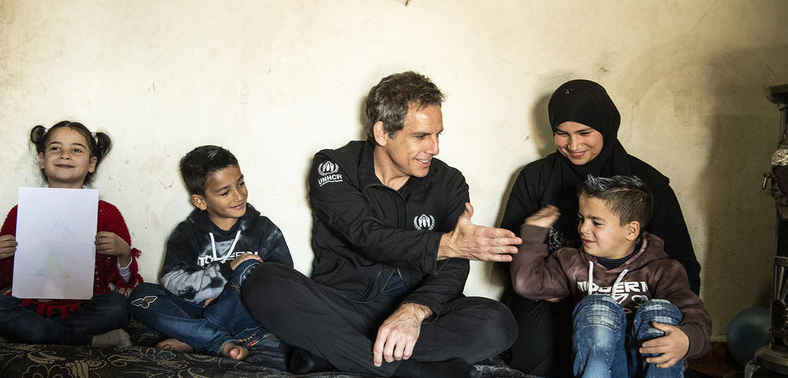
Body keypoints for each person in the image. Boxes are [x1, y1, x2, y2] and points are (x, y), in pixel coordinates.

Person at [243, 71, 521, 378]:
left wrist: (415, 309)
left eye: (437, 135)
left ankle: (332, 354)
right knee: (264, 281)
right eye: (421, 136)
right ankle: (409, 370)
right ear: (382, 132)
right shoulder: (334, 167)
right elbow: (367, 234)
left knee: (499, 322)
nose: (434, 148)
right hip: (346, 306)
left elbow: (454, 266)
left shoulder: (448, 181)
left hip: (415, 310)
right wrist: (445, 245)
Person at [500, 79, 701, 376]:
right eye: (562, 133)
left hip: (633, 298)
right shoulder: (535, 177)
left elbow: (682, 267)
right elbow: (508, 256)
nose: (574, 145)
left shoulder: (646, 183)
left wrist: (684, 333)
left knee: (650, 337)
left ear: (606, 128)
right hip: (556, 292)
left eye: (585, 133)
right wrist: (567, 285)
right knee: (531, 355)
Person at [510, 174, 711, 378]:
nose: (583, 229)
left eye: (596, 223)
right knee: (596, 306)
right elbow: (527, 284)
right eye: (581, 219)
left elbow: (695, 314)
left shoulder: (664, 270)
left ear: (631, 230)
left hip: (649, 364)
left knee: (660, 312)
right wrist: (533, 233)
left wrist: (686, 340)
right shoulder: (572, 262)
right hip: (603, 365)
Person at [0, 121, 142, 347]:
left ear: (91, 164)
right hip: (29, 306)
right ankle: (87, 340)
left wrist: (123, 253)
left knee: (117, 306)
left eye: (76, 150)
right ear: (41, 159)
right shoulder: (21, 211)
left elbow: (124, 281)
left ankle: (22, 334)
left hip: (85, 308)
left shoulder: (106, 213)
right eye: (55, 148)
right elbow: (3, 279)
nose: (65, 155)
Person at [128, 146, 292, 361]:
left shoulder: (264, 230)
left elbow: (282, 282)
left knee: (250, 267)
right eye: (225, 192)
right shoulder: (187, 233)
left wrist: (230, 295)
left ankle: (195, 336)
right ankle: (218, 340)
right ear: (200, 201)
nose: (239, 195)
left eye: (240, 183)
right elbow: (173, 282)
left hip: (242, 313)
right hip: (197, 309)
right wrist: (226, 271)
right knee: (141, 296)